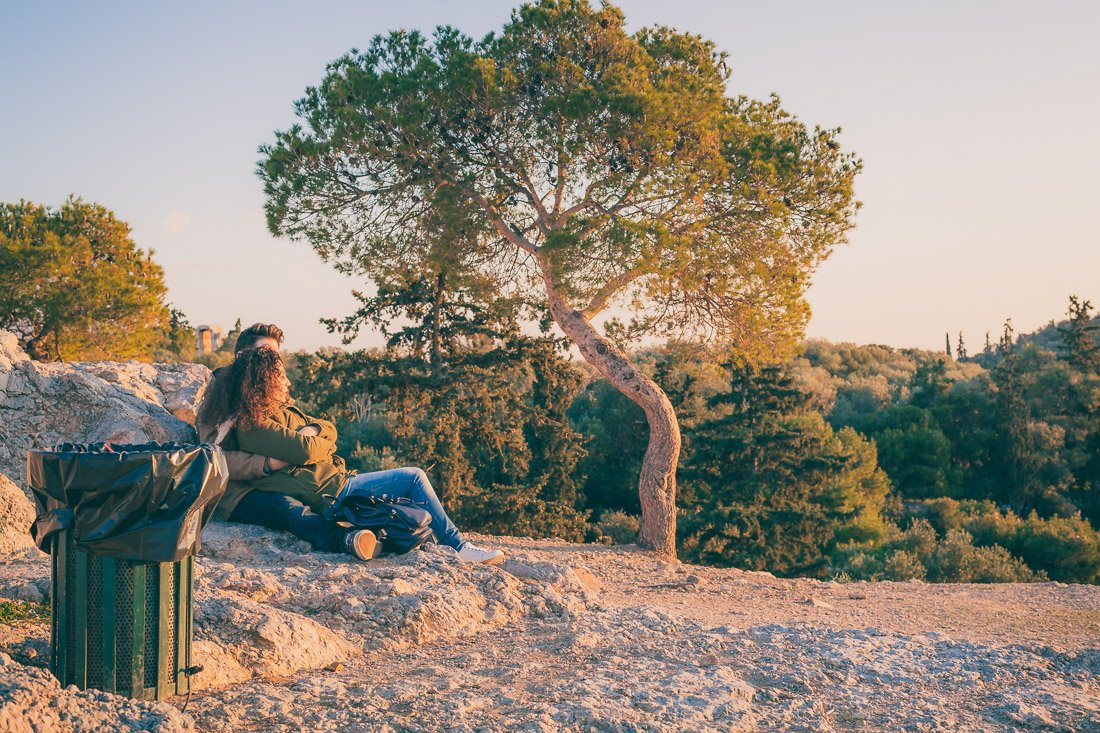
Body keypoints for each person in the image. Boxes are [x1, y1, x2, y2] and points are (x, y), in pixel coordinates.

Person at [196, 335, 504, 564]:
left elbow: (327, 429)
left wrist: (313, 433)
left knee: (407, 508)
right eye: (281, 376)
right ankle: (459, 546)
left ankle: (447, 545)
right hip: (335, 490)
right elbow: (304, 450)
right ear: (264, 381)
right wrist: (311, 444)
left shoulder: (279, 411)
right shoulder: (256, 424)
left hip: (336, 481)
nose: (288, 382)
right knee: (413, 478)